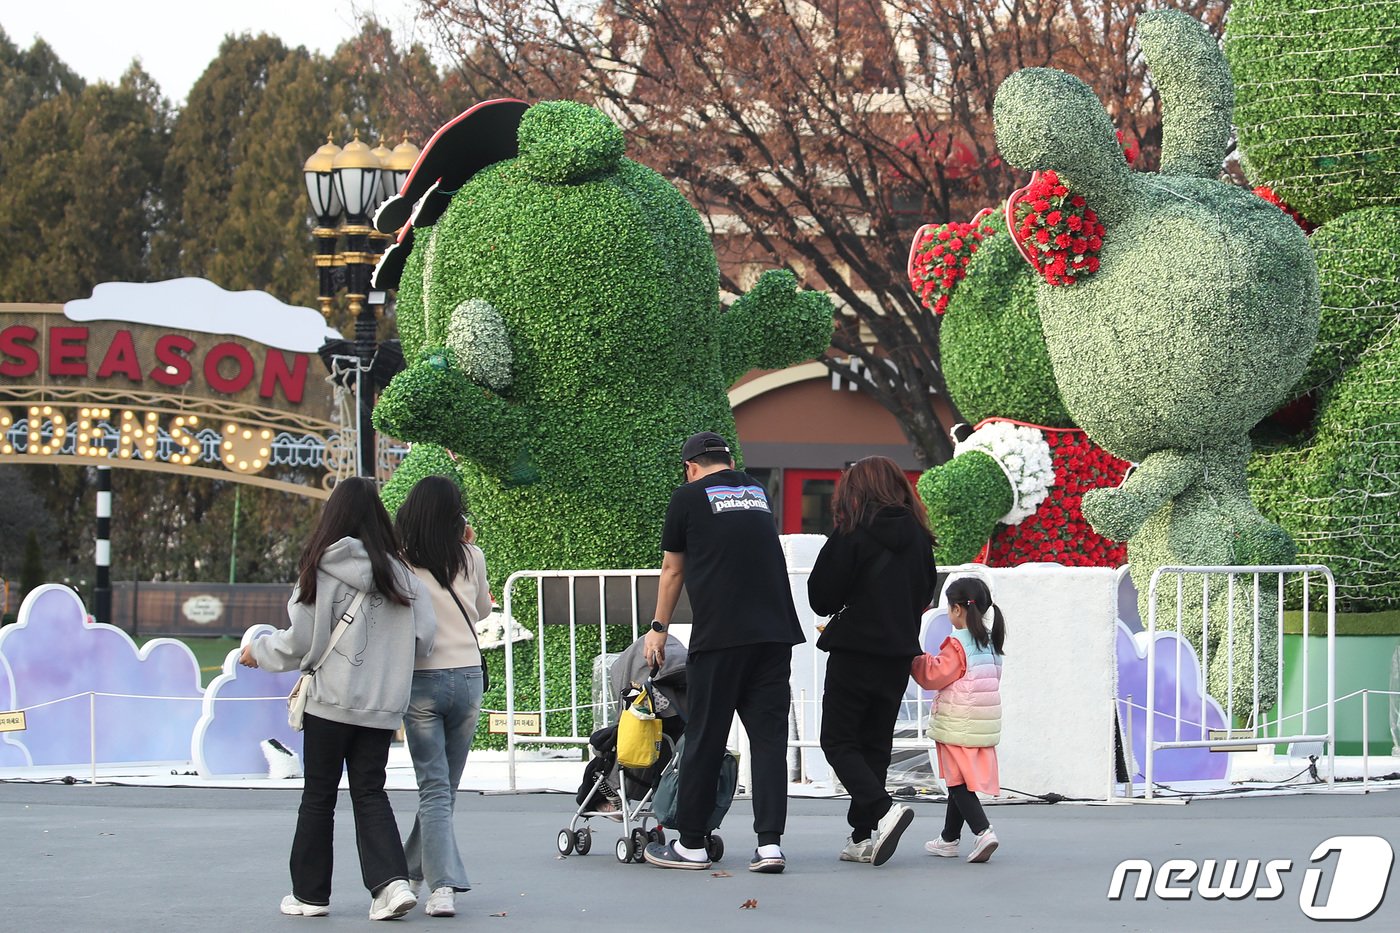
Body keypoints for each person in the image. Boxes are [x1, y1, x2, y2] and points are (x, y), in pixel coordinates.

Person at [240, 477, 436, 920]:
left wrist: (259, 651)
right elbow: (424, 639)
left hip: (329, 701)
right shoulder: (403, 576)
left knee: (319, 795)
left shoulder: (321, 567)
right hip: (382, 707)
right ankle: (391, 885)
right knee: (370, 792)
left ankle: (310, 896)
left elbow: (300, 641)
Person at [642, 431, 804, 874]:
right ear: (729, 462)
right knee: (769, 741)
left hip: (722, 637)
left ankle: (692, 843)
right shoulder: (756, 492)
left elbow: (673, 569)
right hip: (774, 635)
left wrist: (658, 628)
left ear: (690, 467)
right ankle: (769, 845)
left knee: (707, 736)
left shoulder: (688, 496)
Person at [807, 456, 938, 866]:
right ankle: (862, 836)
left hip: (854, 652)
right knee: (875, 744)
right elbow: (925, 592)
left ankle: (884, 811)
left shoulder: (852, 533)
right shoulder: (919, 536)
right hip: (898, 653)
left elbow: (821, 597)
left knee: (838, 740)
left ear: (856, 490)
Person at [394, 476, 492, 918]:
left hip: (421, 679)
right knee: (444, 789)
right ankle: (412, 871)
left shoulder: (399, 561)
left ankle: (441, 885)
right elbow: (484, 610)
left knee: (435, 789)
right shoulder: (471, 556)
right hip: (468, 676)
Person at [909, 575, 1006, 863]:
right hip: (981, 721)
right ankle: (949, 839)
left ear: (957, 610)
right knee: (959, 778)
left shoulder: (957, 644)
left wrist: (915, 658)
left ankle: (983, 831)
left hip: (956, 721)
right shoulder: (990, 641)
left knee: (957, 784)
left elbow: (934, 675)